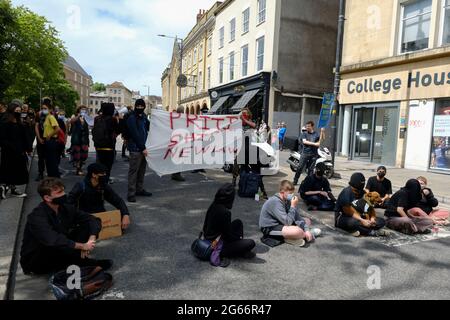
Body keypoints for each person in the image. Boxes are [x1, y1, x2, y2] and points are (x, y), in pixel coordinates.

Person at [20, 178, 112, 275]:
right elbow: (52, 239)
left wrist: (91, 239)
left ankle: (76, 261)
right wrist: (82, 246)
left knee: (86, 226)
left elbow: (93, 219)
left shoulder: (65, 207)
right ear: (47, 198)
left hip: (57, 248)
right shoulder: (36, 216)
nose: (64, 194)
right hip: (37, 259)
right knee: (58, 242)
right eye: (59, 192)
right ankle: (76, 264)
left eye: (63, 190)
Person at [203, 184, 256, 265]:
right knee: (250, 243)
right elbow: (227, 236)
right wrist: (238, 239)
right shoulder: (225, 213)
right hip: (216, 245)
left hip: (210, 238)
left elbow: (206, 226)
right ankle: (239, 252)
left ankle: (240, 249)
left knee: (238, 222)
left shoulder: (214, 204)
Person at [68, 163, 131, 230]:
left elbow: (117, 200)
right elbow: (69, 204)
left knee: (121, 221)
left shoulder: (103, 186)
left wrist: (125, 214)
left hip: (100, 215)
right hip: (85, 216)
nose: (105, 175)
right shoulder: (81, 186)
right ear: (94, 175)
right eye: (102, 174)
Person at [259, 180, 321, 247]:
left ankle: (297, 236)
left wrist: (307, 230)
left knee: (307, 220)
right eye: (290, 193)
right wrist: (293, 206)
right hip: (270, 227)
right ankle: (303, 235)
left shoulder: (287, 200)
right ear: (282, 192)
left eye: (292, 193)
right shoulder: (275, 201)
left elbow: (297, 217)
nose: (292, 195)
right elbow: (287, 222)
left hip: (282, 222)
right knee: (298, 231)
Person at [335, 173, 387, 237]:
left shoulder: (364, 193)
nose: (357, 192)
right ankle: (370, 231)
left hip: (362, 217)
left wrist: (372, 218)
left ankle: (360, 229)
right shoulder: (346, 192)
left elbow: (371, 208)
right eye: (356, 190)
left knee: (381, 221)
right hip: (344, 217)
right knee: (354, 222)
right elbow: (348, 211)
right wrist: (362, 220)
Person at [0, 102, 30, 199]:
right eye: (16, 111)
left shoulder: (19, 122)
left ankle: (11, 188)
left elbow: (23, 136)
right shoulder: (5, 122)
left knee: (17, 171)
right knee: (9, 170)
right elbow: (2, 138)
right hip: (9, 152)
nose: (18, 112)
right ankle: (5, 187)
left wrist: (26, 148)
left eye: (19, 111)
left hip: (19, 151)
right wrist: (12, 147)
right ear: (11, 110)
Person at [127, 99, 152, 203]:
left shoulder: (144, 118)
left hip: (143, 149)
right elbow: (135, 135)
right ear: (135, 106)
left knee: (141, 171)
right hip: (136, 149)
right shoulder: (132, 118)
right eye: (138, 106)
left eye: (142, 106)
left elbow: (149, 128)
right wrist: (142, 148)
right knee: (133, 172)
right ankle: (131, 194)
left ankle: (139, 189)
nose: (140, 108)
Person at [93, 103, 120, 180]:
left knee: (99, 165)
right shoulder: (113, 119)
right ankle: (105, 182)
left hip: (98, 146)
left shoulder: (97, 118)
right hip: (109, 147)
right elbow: (118, 130)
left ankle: (98, 181)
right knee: (107, 167)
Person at [232, 107, 257, 186]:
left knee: (245, 166)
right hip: (239, 148)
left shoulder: (250, 122)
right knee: (236, 164)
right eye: (242, 113)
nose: (244, 115)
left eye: (245, 113)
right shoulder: (239, 123)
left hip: (248, 149)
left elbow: (254, 125)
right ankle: (234, 179)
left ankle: (243, 182)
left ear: (248, 115)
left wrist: (244, 119)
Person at [293, 121, 322, 186]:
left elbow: (321, 139)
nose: (307, 127)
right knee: (300, 167)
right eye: (306, 126)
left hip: (314, 154)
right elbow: (305, 142)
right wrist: (315, 144)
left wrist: (323, 131)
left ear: (312, 126)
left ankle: (309, 182)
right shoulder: (304, 133)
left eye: (308, 126)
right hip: (305, 153)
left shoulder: (316, 134)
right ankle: (295, 180)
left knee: (311, 169)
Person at [41, 98, 61, 178]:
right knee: (49, 160)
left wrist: (49, 136)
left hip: (51, 141)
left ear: (50, 109)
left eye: (45, 108)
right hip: (48, 141)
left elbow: (57, 129)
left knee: (51, 160)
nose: (43, 110)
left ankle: (54, 177)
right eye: (42, 108)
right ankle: (51, 177)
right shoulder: (47, 117)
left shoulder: (51, 117)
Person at [70, 106, 90, 176]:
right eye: (82, 109)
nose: (84, 111)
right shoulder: (75, 116)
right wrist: (78, 116)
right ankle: (78, 169)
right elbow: (71, 121)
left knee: (84, 155)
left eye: (85, 110)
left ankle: (79, 166)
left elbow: (91, 124)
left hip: (84, 139)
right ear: (79, 110)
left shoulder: (87, 117)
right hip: (76, 138)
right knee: (77, 155)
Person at [171, 106, 186, 182]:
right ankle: (176, 174)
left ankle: (175, 173)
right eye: (183, 111)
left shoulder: (175, 118)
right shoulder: (180, 118)